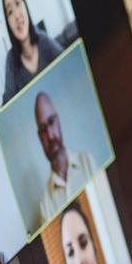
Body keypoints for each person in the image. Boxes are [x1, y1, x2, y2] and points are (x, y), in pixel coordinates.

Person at [29, 89, 98, 226]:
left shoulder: (87, 161)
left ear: (58, 121)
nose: (49, 135)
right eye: (43, 129)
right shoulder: (46, 205)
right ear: (39, 137)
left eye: (51, 121)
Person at [0, 0, 63, 101]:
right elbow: (7, 104)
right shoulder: (11, 60)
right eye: (9, 12)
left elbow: (69, 65)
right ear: (7, 23)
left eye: (17, 3)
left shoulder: (44, 41)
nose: (16, 15)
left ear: (25, 5)